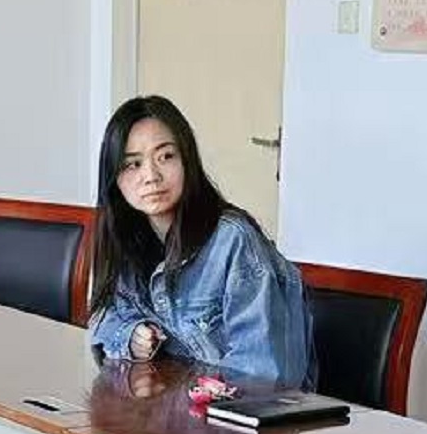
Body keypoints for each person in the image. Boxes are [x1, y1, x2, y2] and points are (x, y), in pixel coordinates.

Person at [84, 95, 314, 388]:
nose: (151, 176)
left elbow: (263, 375)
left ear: (187, 159)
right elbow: (103, 316)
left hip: (246, 410)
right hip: (174, 406)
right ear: (114, 177)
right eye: (133, 164)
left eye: (166, 156)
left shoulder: (233, 241)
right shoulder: (128, 236)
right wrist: (131, 335)